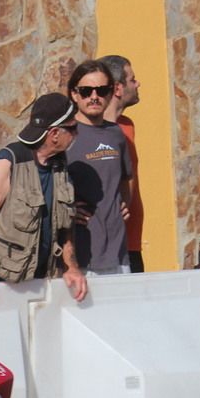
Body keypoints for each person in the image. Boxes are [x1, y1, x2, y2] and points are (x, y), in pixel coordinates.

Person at [0, 92, 89, 308]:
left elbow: (66, 225)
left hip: (38, 282)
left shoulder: (60, 164)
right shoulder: (7, 163)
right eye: (73, 128)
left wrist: (71, 267)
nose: (77, 133)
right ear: (55, 133)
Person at [64, 59, 134, 275]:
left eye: (101, 90)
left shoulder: (116, 134)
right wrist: (67, 210)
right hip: (80, 257)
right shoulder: (64, 135)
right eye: (86, 91)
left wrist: (124, 203)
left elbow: (127, 177)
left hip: (118, 252)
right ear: (75, 94)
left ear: (111, 92)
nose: (94, 97)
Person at [100, 54, 146, 272]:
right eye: (132, 79)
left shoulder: (127, 126)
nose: (137, 84)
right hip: (106, 245)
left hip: (133, 241)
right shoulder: (87, 131)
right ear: (118, 88)